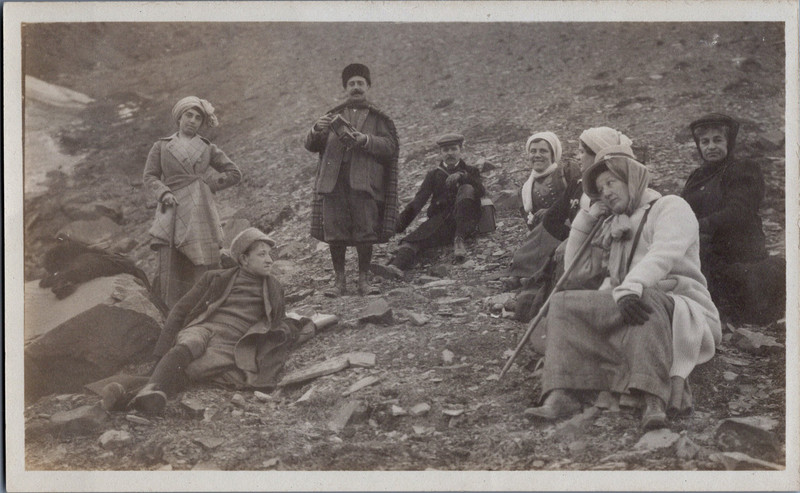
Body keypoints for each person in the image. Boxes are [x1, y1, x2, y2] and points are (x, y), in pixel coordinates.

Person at [527, 146, 721, 430]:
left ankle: (654, 399)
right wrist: (587, 218)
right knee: (563, 303)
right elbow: (576, 274)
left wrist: (630, 287)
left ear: (632, 179)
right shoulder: (614, 221)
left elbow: (663, 256)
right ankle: (562, 393)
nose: (605, 192)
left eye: (611, 182)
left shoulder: (671, 206)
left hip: (679, 304)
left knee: (647, 297)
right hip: (627, 300)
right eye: (600, 188)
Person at [128, 228, 319, 415]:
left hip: (233, 342)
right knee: (191, 343)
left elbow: (277, 322)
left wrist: (307, 324)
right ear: (244, 259)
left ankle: (129, 396)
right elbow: (180, 310)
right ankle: (150, 388)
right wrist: (160, 354)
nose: (270, 260)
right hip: (206, 326)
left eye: (269, 254)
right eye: (262, 255)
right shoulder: (215, 278)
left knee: (195, 369)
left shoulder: (274, 288)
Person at [305, 63, 399, 296]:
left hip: (364, 184)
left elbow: (390, 147)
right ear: (345, 88)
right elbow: (311, 146)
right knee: (335, 233)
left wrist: (366, 140)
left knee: (364, 231)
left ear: (368, 87)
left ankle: (364, 281)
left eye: (360, 83)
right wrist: (317, 129)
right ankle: (339, 283)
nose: (356, 88)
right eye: (351, 84)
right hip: (333, 183)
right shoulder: (330, 116)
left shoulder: (379, 119)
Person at [681, 113, 785, 324]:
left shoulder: (743, 170)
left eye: (717, 140)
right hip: (703, 247)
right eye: (705, 141)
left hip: (737, 254)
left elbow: (739, 212)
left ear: (729, 142)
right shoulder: (697, 176)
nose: (711, 146)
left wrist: (700, 226)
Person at [143, 96, 242, 308]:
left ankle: (206, 308)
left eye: (198, 117)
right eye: (189, 115)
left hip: (200, 208)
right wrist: (163, 193)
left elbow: (234, 173)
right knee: (170, 261)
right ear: (179, 117)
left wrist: (210, 184)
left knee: (204, 260)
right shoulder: (161, 146)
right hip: (171, 208)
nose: (193, 120)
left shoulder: (207, 148)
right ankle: (171, 312)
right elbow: (150, 176)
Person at [372, 133, 484, 275]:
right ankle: (395, 268)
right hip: (441, 223)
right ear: (440, 153)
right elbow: (418, 202)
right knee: (414, 239)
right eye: (446, 150)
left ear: (460, 149)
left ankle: (459, 240)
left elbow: (481, 191)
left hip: (466, 223)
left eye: (453, 149)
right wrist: (396, 226)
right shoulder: (433, 175)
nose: (450, 153)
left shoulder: (471, 171)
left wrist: (464, 177)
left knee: (467, 188)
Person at [505, 132, 566, 288]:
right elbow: (529, 223)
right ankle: (524, 272)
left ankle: (523, 272)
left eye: (543, 151)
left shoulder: (566, 172)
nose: (537, 155)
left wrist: (552, 212)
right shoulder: (525, 190)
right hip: (544, 233)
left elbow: (579, 200)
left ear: (553, 154)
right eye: (533, 151)